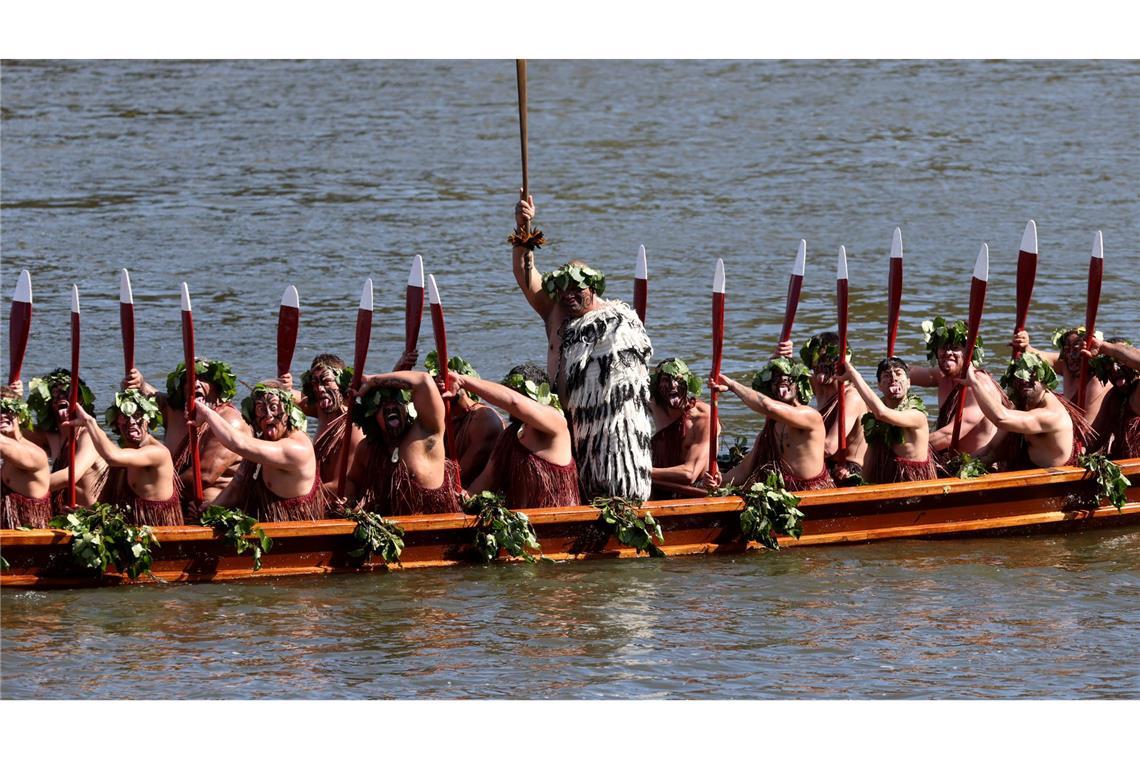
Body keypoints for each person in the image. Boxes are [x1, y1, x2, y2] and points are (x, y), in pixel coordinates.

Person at [511, 192, 654, 501]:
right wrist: (523, 229)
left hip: (607, 432)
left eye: (576, 288)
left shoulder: (618, 320)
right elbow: (526, 276)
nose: (568, 295)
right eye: (562, 288)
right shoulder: (555, 313)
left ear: (593, 287)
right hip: (563, 427)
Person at [124, 358, 248, 512]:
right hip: (171, 500)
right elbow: (151, 395)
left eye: (204, 379)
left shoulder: (229, 421)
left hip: (211, 509)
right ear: (182, 389)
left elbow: (204, 474)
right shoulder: (174, 413)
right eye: (189, 380)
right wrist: (138, 383)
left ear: (217, 388)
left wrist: (156, 496)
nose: (196, 383)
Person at [200, 381, 326, 522]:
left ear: (289, 411)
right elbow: (238, 484)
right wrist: (210, 509)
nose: (269, 416)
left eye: (274, 408)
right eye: (261, 409)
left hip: (292, 529)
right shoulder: (263, 441)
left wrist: (205, 413)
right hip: (262, 522)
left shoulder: (296, 448)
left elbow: (238, 444)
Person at [460, 363, 580, 508]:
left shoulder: (555, 424)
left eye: (518, 393)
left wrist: (462, 381)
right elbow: (487, 479)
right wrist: (464, 499)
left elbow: (514, 402)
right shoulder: (508, 436)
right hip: (519, 523)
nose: (511, 410)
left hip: (559, 522)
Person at [706, 357, 833, 491]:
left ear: (798, 384)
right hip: (782, 493)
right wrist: (718, 481)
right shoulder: (768, 431)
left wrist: (732, 385)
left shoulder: (810, 416)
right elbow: (743, 471)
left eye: (788, 379)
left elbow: (768, 406)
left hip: (812, 491)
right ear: (770, 390)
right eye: (775, 380)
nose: (781, 381)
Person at [346, 370, 461, 515]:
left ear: (407, 407)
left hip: (433, 525)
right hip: (389, 528)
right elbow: (352, 480)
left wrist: (372, 381)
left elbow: (423, 381)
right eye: (381, 404)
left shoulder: (426, 432)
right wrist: (351, 501)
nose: (389, 405)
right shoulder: (368, 449)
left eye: (396, 400)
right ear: (372, 416)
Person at [66, 389, 182, 525]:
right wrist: (85, 513)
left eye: (138, 415)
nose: (132, 422)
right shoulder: (126, 454)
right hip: (131, 528)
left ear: (148, 419)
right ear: (116, 423)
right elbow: (115, 506)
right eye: (125, 417)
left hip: (158, 530)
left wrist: (89, 422)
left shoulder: (157, 453)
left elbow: (111, 457)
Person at [962, 354, 1092, 470]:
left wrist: (974, 383)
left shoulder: (1052, 415)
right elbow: (991, 449)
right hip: (1025, 468)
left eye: (1032, 376)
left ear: (1045, 380)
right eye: (1020, 376)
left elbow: (1001, 418)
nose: (1025, 379)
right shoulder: (1024, 405)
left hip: (1051, 481)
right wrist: (959, 464)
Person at [910, 317, 1000, 458]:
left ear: (967, 353)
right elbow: (908, 374)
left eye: (955, 348)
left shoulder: (978, 386)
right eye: (943, 348)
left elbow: (948, 435)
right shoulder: (942, 377)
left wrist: (906, 447)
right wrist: (892, 368)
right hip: (949, 459)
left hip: (978, 465)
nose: (948, 353)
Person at [840, 358, 937, 483]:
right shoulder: (874, 419)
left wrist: (854, 375)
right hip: (883, 482)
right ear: (879, 385)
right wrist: (862, 484)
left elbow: (882, 413)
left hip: (912, 484)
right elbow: (870, 456)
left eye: (898, 373)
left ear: (908, 383)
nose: (893, 378)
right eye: (887, 375)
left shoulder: (917, 416)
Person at [23, 369, 108, 510]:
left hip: (90, 517)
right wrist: (12, 397)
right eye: (56, 394)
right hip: (62, 514)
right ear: (49, 403)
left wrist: (24, 487)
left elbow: (69, 477)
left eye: (67, 392)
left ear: (80, 399)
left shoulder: (89, 435)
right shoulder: (52, 437)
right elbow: (13, 431)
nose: (61, 396)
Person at [792, 333, 868, 484]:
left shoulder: (852, 396)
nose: (821, 366)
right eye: (816, 360)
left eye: (827, 360)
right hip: (821, 464)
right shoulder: (815, 383)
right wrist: (779, 357)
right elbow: (775, 393)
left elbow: (829, 447)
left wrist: (790, 454)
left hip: (848, 471)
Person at [425, 352, 505, 489]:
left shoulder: (484, 420)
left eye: (447, 379)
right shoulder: (437, 418)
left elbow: (458, 477)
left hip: (472, 495)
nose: (442, 385)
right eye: (436, 381)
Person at [1010, 326, 1111, 427]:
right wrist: (1025, 345)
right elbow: (1038, 356)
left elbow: (1088, 429)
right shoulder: (1067, 365)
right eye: (1067, 350)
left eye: (1076, 350)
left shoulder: (1096, 381)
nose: (1071, 356)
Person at [648, 358, 714, 499]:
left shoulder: (703, 416)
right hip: (658, 485)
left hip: (694, 489)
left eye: (678, 379)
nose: (673, 385)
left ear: (688, 382)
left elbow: (689, 474)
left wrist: (640, 470)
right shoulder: (653, 405)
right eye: (666, 380)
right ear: (657, 386)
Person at [1083, 335, 1140, 459]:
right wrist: (1075, 452)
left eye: (1120, 362)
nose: (1115, 369)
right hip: (1121, 464)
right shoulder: (1113, 396)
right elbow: (1095, 439)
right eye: (1109, 364)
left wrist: (1103, 347)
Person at [1, 390, 52, 529]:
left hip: (31, 539)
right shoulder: (7, 455)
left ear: (22, 416)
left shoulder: (34, 454)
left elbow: (3, 445)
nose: (2, 415)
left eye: (8, 409)